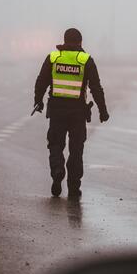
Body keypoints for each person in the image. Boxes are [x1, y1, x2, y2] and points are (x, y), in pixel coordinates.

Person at [34, 28, 108, 198]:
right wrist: (103, 110)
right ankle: (74, 187)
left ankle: (57, 171)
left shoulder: (54, 58)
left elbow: (41, 81)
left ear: (64, 40)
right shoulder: (86, 60)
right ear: (80, 42)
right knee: (76, 150)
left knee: (55, 145)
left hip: (57, 111)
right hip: (77, 113)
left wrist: (37, 101)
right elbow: (96, 88)